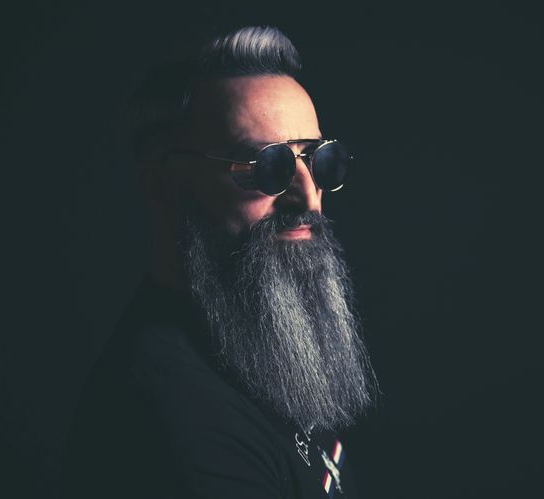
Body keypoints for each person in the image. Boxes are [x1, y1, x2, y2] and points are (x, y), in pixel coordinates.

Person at [61, 26, 378, 499]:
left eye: (317, 159)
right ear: (162, 186)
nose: (308, 197)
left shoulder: (268, 341)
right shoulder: (174, 420)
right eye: (265, 165)